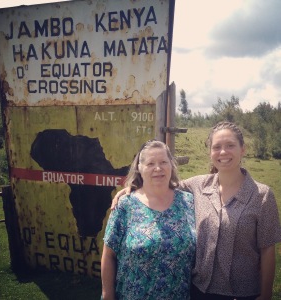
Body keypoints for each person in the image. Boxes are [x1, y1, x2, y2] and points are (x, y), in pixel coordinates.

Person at [112, 121, 281, 300]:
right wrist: (132, 188)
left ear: (243, 149)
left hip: (243, 293)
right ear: (210, 153)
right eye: (217, 147)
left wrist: (266, 294)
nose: (223, 152)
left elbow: (267, 250)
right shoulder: (198, 186)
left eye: (230, 145)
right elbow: (161, 184)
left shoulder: (261, 195)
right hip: (200, 290)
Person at [101, 140, 196, 300]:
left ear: (171, 165)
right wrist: (107, 295)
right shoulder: (126, 205)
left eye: (163, 162)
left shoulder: (188, 202)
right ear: (139, 167)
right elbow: (108, 255)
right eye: (150, 163)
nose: (158, 168)